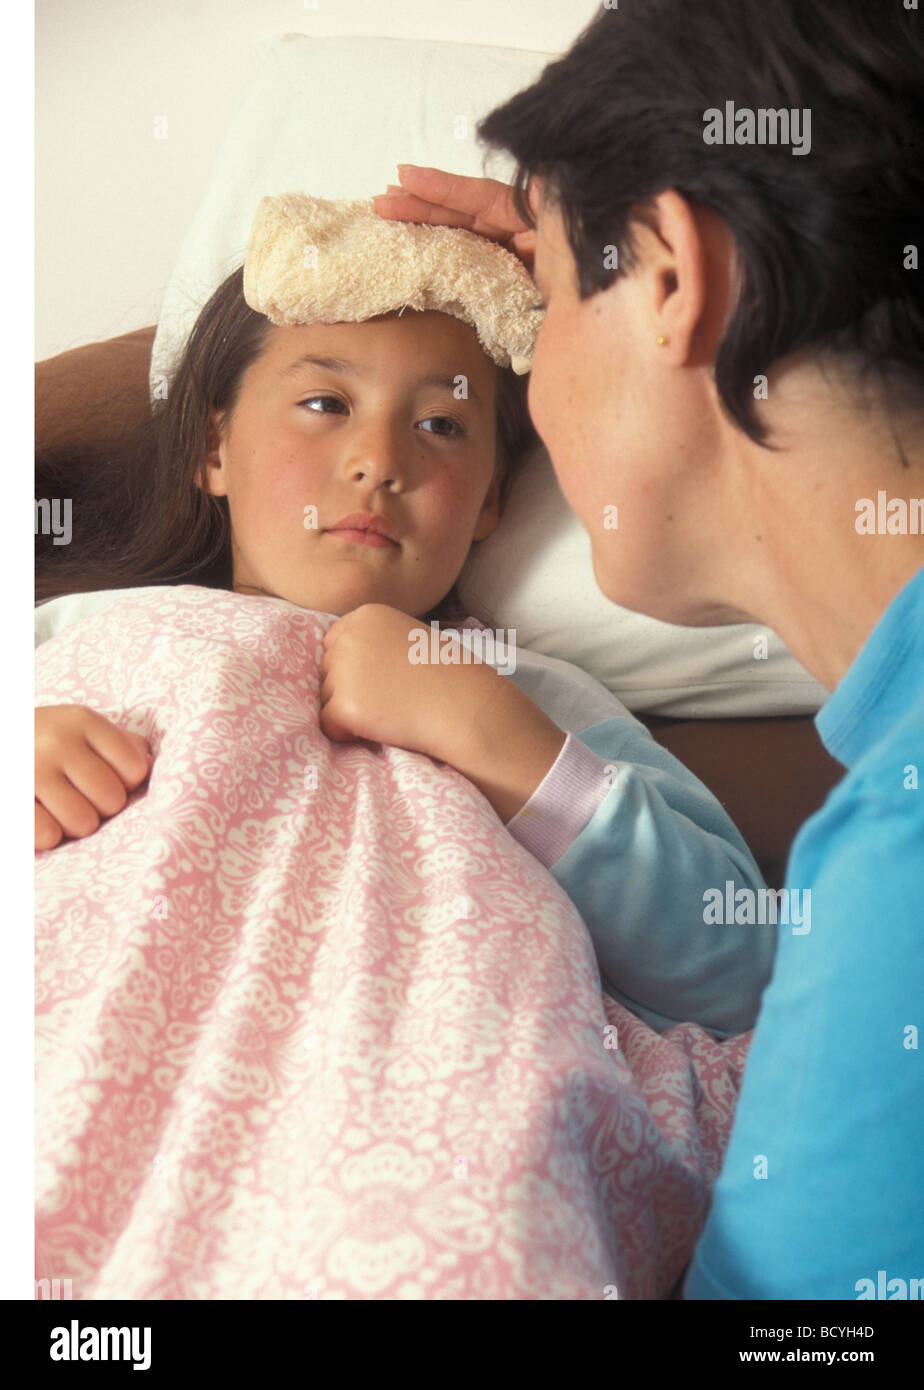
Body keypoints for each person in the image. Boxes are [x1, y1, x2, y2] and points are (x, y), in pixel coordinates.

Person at [371, 0, 924, 1300]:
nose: (534, 389)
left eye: (550, 299)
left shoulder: (893, 882)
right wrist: (599, 268)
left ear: (673, 276)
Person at [35, 231, 775, 1040]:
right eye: (327, 405)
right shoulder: (86, 632)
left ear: (492, 500)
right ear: (214, 449)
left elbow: (746, 971)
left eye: (441, 425)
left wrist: (499, 741)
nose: (379, 461)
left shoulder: (533, 696)